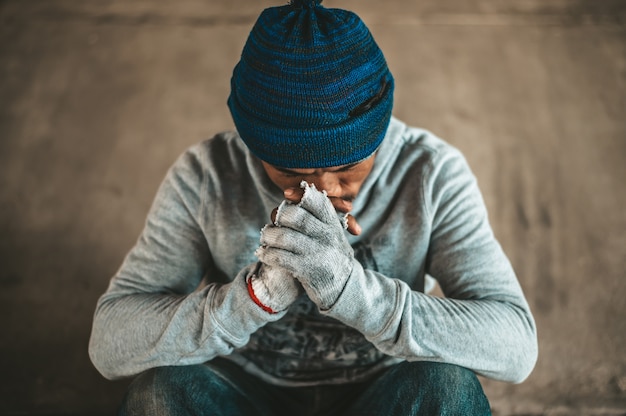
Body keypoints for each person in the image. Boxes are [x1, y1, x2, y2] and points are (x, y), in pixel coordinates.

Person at [88, 0, 538, 414]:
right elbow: (110, 342)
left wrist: (353, 292)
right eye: (288, 171)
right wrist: (251, 299)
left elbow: (515, 347)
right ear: (253, 146)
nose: (320, 191)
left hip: (381, 392)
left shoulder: (431, 171)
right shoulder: (206, 174)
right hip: (244, 393)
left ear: (376, 136)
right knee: (160, 394)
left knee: (448, 390)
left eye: (347, 166)